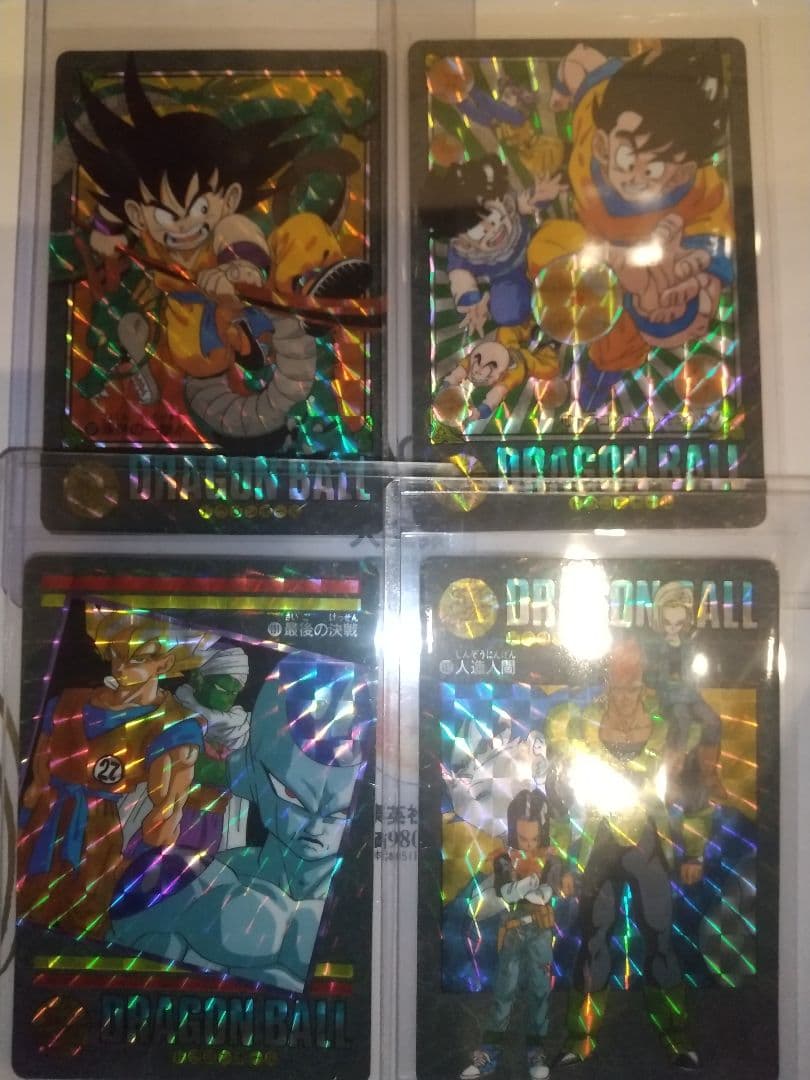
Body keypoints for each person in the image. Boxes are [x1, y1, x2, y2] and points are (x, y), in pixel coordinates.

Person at [66, 54, 369, 441]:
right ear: (139, 215)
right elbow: (112, 213)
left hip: (264, 304)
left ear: (229, 198)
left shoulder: (230, 224)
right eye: (164, 215)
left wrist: (239, 272)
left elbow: (241, 242)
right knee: (199, 347)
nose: (182, 225)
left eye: (199, 209)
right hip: (201, 335)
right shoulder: (149, 240)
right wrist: (106, 232)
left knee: (303, 228)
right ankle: (249, 339)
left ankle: (311, 294)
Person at [108, 657, 372, 992]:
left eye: (339, 812)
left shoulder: (375, 906)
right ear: (248, 775)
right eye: (292, 796)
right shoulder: (187, 883)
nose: (316, 827)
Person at [528, 43, 733, 408]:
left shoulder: (700, 188)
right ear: (604, 146)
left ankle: (595, 387)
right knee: (552, 244)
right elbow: (581, 58)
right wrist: (561, 90)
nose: (635, 176)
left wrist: (697, 287)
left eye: (653, 169)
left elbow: (718, 231)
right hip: (589, 252)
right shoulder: (593, 123)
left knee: (620, 347)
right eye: (627, 157)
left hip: (643, 275)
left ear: (680, 173)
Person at [545, 638, 712, 1070]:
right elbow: (561, 797)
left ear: (644, 673)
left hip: (647, 845)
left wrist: (694, 852)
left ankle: (675, 1036)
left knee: (660, 937)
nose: (624, 677)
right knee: (594, 940)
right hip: (599, 847)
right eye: (617, 668)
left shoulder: (669, 726)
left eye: (633, 669)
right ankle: (580, 1038)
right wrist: (562, 859)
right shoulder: (579, 723)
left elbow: (694, 792)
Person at [17, 611, 212, 936]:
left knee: (83, 924)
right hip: (39, 829)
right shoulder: (67, 702)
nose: (121, 667)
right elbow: (35, 786)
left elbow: (164, 820)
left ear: (164, 663)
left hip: (99, 840)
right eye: (117, 653)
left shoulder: (173, 725)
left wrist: (132, 863)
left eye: (138, 658)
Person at [421, 155, 563, 386]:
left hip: (536, 249)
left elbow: (524, 202)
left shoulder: (507, 202)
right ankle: (540, 320)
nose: (491, 229)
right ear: (462, 238)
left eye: (492, 217)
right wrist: (472, 302)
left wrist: (539, 196)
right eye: (478, 230)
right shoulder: (462, 251)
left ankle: (563, 280)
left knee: (552, 243)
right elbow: (460, 277)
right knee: (506, 309)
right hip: (508, 277)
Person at [459, 790, 557, 1080]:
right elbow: (506, 893)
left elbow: (547, 892)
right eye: (523, 838)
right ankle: (490, 1052)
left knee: (540, 989)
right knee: (505, 991)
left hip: (540, 931)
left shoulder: (550, 857)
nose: (528, 845)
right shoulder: (504, 857)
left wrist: (533, 887)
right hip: (513, 930)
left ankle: (536, 1050)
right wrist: (528, 883)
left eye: (534, 839)